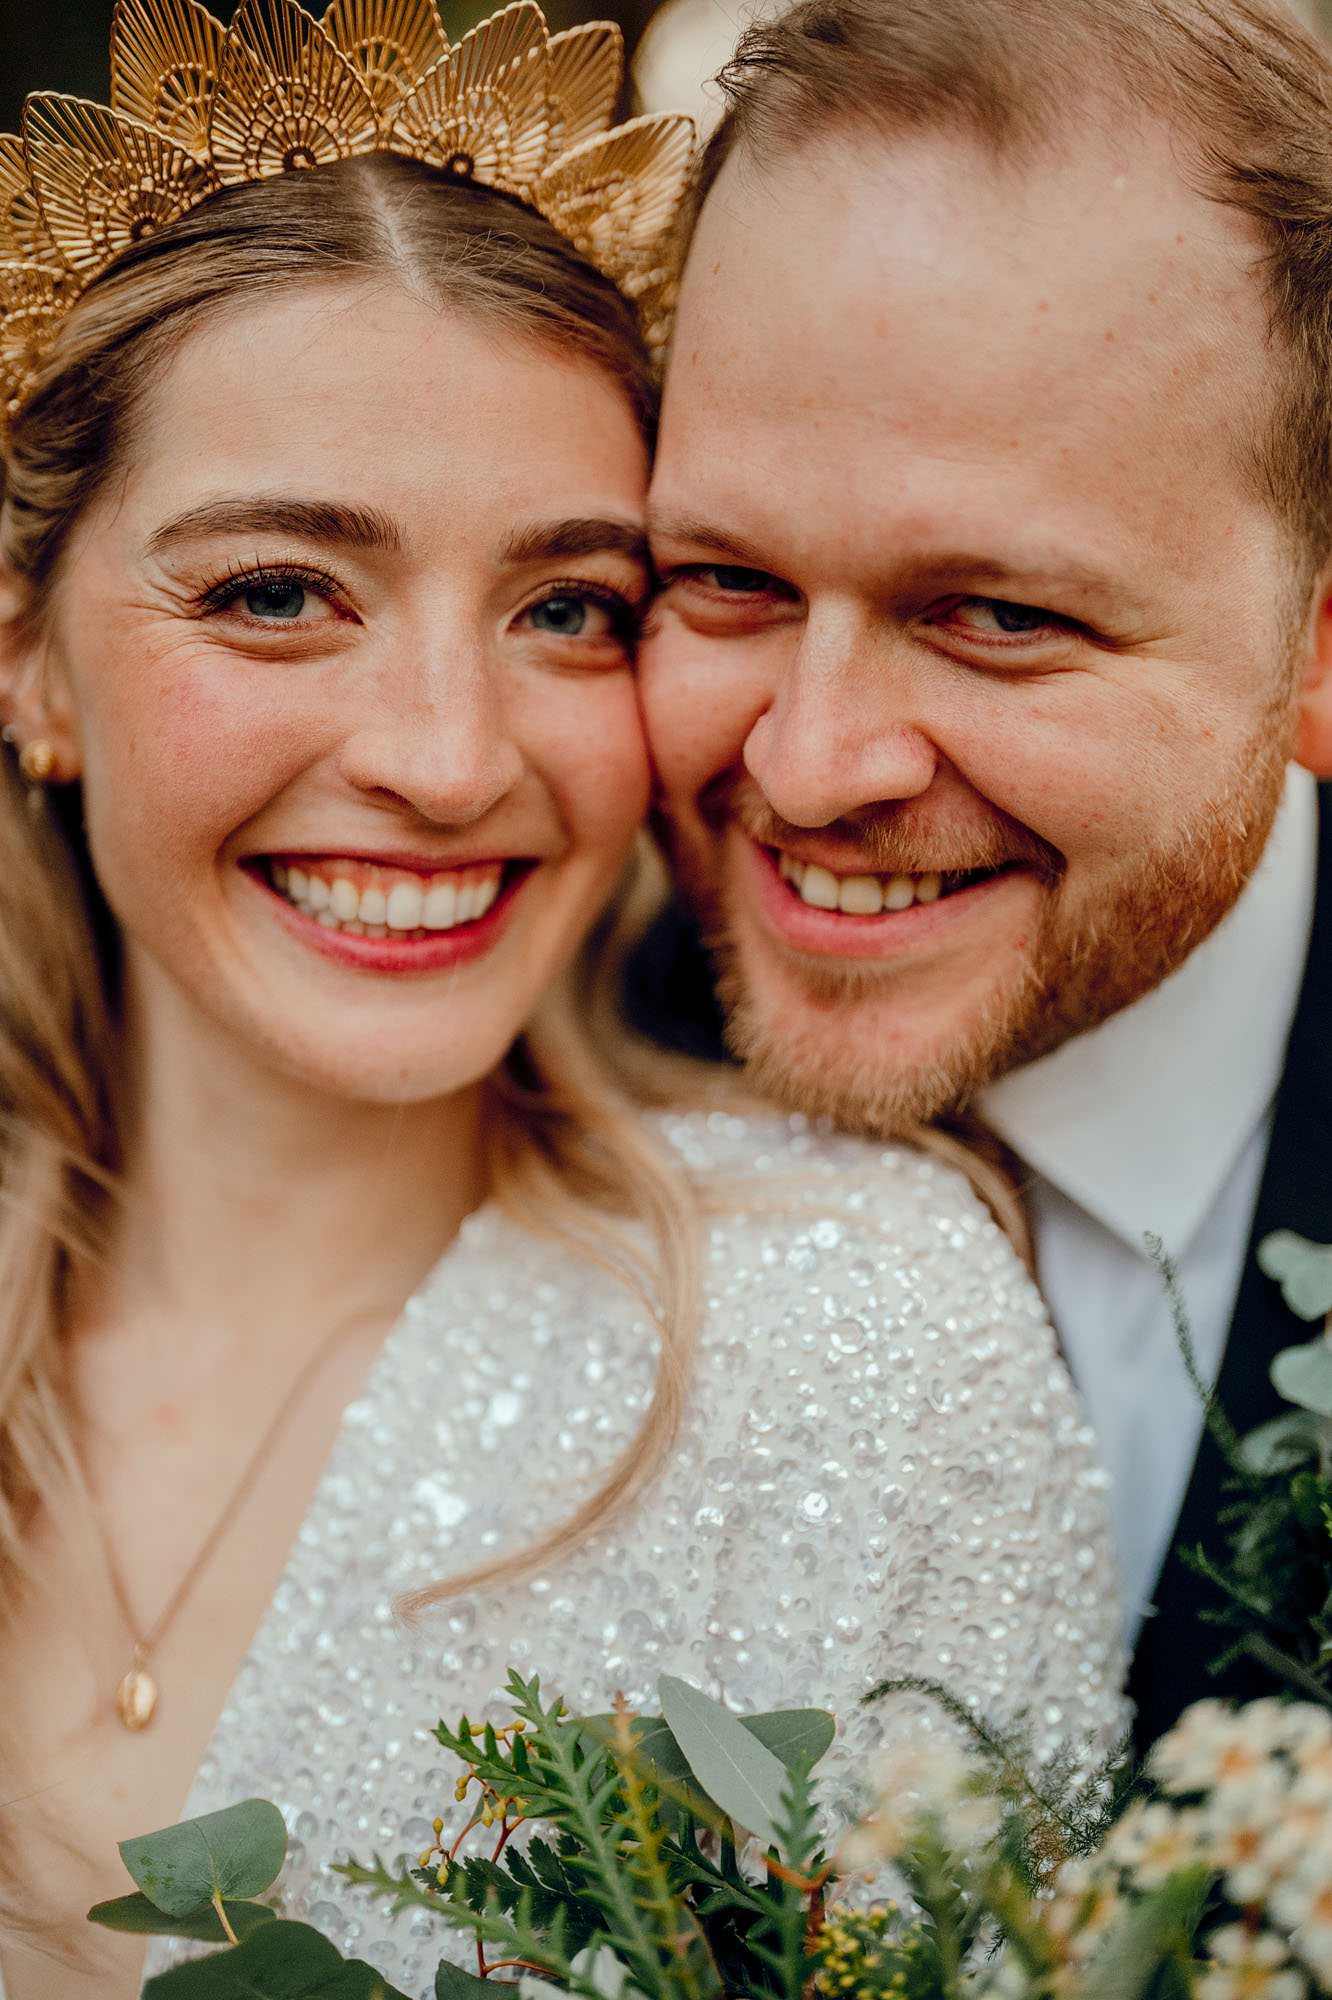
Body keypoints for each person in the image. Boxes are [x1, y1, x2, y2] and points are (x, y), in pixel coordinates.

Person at [0, 2, 1124, 1994]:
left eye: (568, 609)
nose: (445, 757)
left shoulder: (856, 1347)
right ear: (30, 663)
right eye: (277, 590)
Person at [633, 0, 1332, 1750]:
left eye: (998, 616)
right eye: (726, 580)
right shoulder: (480, 1077)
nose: (804, 765)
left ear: (1318, 642)